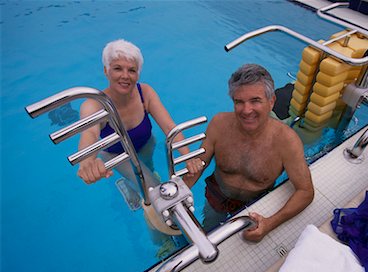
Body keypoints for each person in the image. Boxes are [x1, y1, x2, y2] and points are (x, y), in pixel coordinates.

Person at [184, 64, 314, 243]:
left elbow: (305, 191)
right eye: (239, 102)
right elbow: (199, 163)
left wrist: (269, 223)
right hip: (217, 196)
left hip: (256, 204)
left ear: (271, 101)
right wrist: (182, 187)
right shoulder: (219, 124)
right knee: (209, 232)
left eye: (255, 101)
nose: (246, 110)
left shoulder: (286, 141)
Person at [77, 39, 199, 207]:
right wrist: (87, 163)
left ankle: (129, 185)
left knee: (148, 171)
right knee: (154, 189)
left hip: (146, 144)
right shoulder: (94, 105)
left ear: (138, 74)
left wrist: (187, 157)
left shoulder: (145, 93)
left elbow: (169, 127)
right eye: (118, 68)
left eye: (132, 70)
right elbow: (90, 133)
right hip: (117, 155)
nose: (125, 76)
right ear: (106, 71)